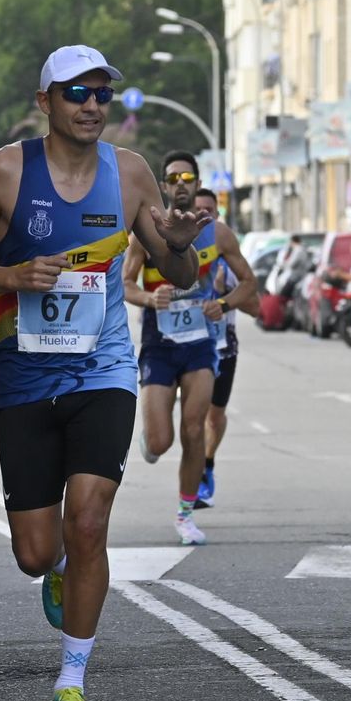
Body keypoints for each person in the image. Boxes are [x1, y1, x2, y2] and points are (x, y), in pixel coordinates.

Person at [0, 44, 209, 701]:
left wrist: (178, 245)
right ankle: (55, 567)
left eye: (101, 95)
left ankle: (73, 684)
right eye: (76, 93)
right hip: (24, 373)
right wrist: (12, 278)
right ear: (45, 101)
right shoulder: (6, 171)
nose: (91, 105)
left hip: (104, 368)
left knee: (89, 520)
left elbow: (180, 269)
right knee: (35, 550)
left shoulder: (132, 173)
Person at [123, 151, 259, 544]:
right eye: (173, 178)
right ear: (164, 187)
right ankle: (150, 437)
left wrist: (224, 304)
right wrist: (151, 299)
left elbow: (249, 282)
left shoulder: (217, 234)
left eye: (187, 177)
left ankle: (185, 514)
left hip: (201, 345)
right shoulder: (148, 231)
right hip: (159, 344)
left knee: (195, 427)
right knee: (161, 440)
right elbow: (125, 284)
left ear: (198, 184)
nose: (180, 183)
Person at [199, 187, 256, 508]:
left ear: (218, 216)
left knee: (213, 415)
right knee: (192, 416)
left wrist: (224, 296)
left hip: (223, 342)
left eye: (210, 209)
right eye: (199, 209)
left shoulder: (228, 256)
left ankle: (206, 463)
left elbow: (256, 304)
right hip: (186, 342)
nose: (204, 214)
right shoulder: (174, 249)